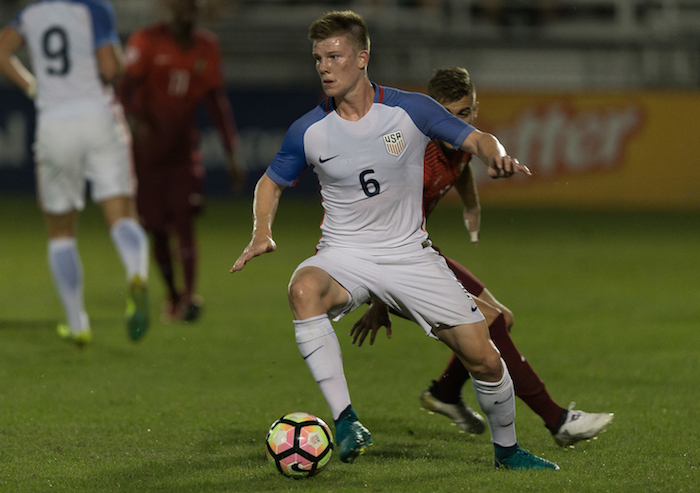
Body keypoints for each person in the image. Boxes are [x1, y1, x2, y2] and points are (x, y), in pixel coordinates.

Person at [231, 10, 558, 471]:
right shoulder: (308, 129)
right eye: (318, 58)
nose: (324, 66)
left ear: (362, 58)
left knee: (484, 358)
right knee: (303, 289)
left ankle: (508, 451)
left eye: (335, 56)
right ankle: (345, 421)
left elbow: (477, 138)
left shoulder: (410, 109)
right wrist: (262, 232)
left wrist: (499, 156)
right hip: (345, 254)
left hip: (408, 255)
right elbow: (270, 182)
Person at [349, 67, 614, 447]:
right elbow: (373, 222)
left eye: (465, 112)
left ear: (476, 108)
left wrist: (471, 205)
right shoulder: (410, 152)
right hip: (384, 260)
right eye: (447, 114)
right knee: (489, 321)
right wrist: (379, 298)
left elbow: (461, 168)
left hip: (413, 250)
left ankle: (443, 394)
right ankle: (557, 421)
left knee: (501, 318)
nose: (457, 122)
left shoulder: (457, 143)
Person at [0, 0, 151, 346]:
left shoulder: (30, 14)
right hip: (97, 115)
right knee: (121, 215)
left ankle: (77, 321)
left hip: (54, 121)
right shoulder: (94, 7)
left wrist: (32, 85)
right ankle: (137, 274)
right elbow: (110, 68)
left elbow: (2, 51)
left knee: (61, 231)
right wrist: (120, 60)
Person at [118, 0, 242, 323]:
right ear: (169, 10)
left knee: (184, 219)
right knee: (156, 228)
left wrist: (231, 153)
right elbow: (123, 88)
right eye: (180, 7)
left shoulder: (206, 47)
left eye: (191, 8)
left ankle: (189, 296)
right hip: (147, 153)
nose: (186, 13)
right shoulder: (146, 40)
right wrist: (131, 121)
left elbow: (217, 104)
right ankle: (173, 296)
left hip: (182, 150)